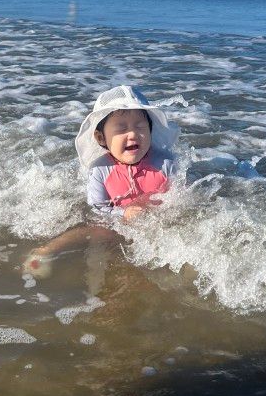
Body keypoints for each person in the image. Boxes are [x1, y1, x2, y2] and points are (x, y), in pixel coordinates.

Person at [23, 85, 178, 276]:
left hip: (153, 224)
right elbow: (96, 208)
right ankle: (46, 250)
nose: (132, 134)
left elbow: (180, 198)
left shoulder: (165, 163)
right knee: (98, 230)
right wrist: (123, 214)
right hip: (115, 224)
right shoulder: (100, 169)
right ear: (101, 138)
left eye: (140, 126)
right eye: (121, 128)